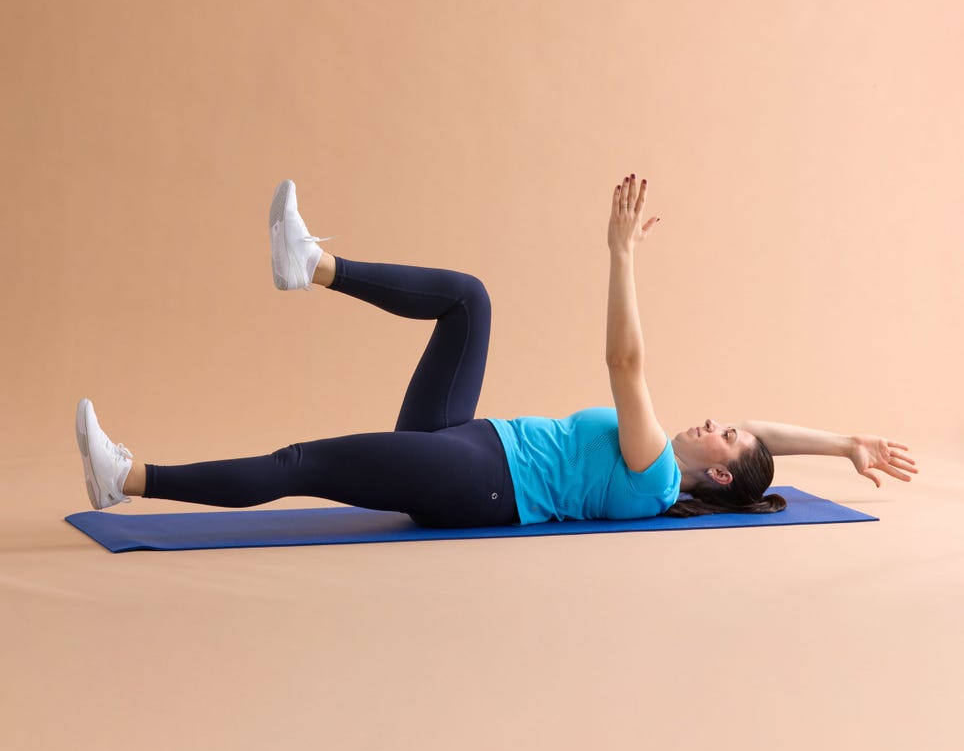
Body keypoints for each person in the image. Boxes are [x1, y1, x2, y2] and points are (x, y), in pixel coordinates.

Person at [75, 178, 918, 524]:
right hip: (472, 443)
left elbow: (626, 366)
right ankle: (313, 265)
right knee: (467, 300)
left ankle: (129, 478)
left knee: (302, 462)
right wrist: (843, 444)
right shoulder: (678, 460)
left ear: (720, 472)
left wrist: (621, 255)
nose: (718, 420)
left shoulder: (655, 470)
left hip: (476, 482)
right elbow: (762, 428)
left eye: (725, 434)